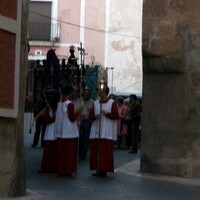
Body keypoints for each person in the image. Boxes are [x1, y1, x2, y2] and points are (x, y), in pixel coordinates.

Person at [89, 85, 119, 177]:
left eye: (100, 92)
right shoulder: (96, 103)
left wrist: (107, 114)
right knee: (96, 151)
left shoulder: (112, 103)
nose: (99, 93)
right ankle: (98, 168)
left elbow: (116, 116)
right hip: (97, 129)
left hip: (107, 131)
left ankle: (104, 169)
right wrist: (95, 116)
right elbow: (91, 115)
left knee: (105, 152)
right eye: (98, 91)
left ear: (105, 92)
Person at [55, 85, 82, 176]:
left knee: (62, 152)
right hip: (69, 131)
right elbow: (72, 118)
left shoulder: (60, 103)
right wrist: (78, 111)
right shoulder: (69, 104)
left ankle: (61, 169)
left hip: (61, 130)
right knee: (69, 153)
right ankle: (68, 169)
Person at [39, 96, 59, 173]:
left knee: (51, 150)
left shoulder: (55, 110)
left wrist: (52, 119)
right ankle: (47, 167)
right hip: (51, 130)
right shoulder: (49, 110)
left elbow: (48, 119)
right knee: (49, 150)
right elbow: (47, 119)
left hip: (53, 130)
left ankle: (50, 167)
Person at [79, 87, 94, 160]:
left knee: (85, 137)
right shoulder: (80, 101)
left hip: (87, 121)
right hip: (79, 121)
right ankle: (79, 150)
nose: (85, 94)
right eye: (85, 93)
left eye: (87, 93)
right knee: (79, 137)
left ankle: (83, 153)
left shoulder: (92, 102)